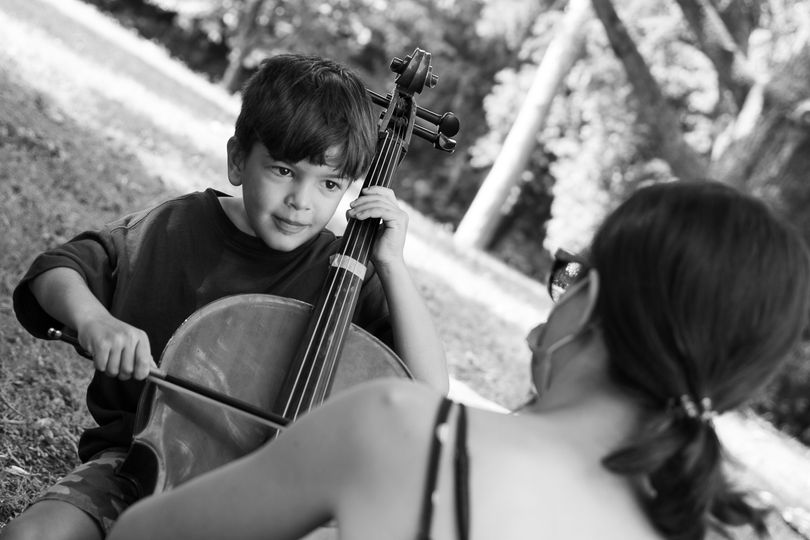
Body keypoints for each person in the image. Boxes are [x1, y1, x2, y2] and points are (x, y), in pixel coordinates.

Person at [108, 180, 809, 540]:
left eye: (571, 274)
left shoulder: (399, 429)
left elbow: (144, 536)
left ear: (592, 299)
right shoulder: (721, 526)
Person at [2, 54, 448, 540]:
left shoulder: (347, 274)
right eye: (283, 170)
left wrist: (391, 264)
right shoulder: (178, 227)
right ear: (238, 160)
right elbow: (57, 270)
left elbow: (430, 393)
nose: (301, 201)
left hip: (285, 507)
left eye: (329, 183)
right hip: (144, 468)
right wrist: (95, 321)